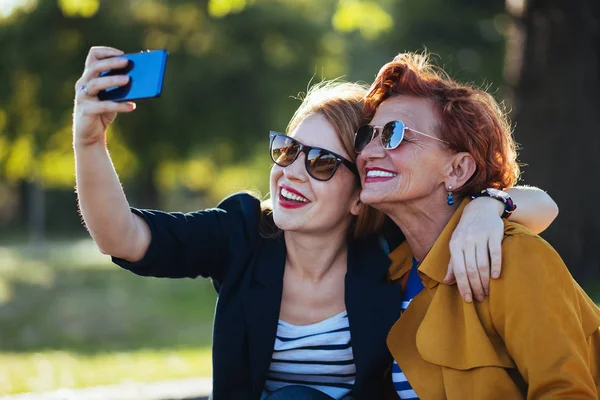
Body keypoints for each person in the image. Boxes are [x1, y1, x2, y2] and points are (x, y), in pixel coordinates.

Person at [73, 46, 558, 399]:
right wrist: (89, 143)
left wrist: (487, 206)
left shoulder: (390, 246)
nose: (290, 172)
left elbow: (544, 206)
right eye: (287, 150)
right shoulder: (243, 231)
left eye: (322, 163)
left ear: (359, 196)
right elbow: (124, 236)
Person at [355, 52, 600, 399]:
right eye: (367, 135)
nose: (368, 152)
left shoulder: (514, 257)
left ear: (457, 170)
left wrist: (491, 202)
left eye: (394, 135)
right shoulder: (388, 269)